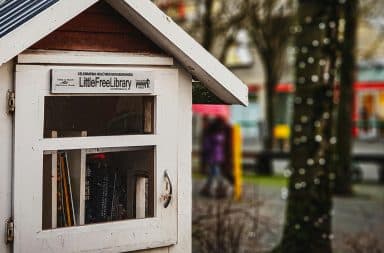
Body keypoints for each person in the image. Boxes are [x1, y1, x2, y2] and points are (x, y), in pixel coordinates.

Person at [200, 117, 232, 198]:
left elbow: (207, 146)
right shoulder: (219, 134)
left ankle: (207, 189)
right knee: (215, 173)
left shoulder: (214, 133)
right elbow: (209, 145)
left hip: (215, 156)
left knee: (213, 173)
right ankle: (222, 188)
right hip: (215, 157)